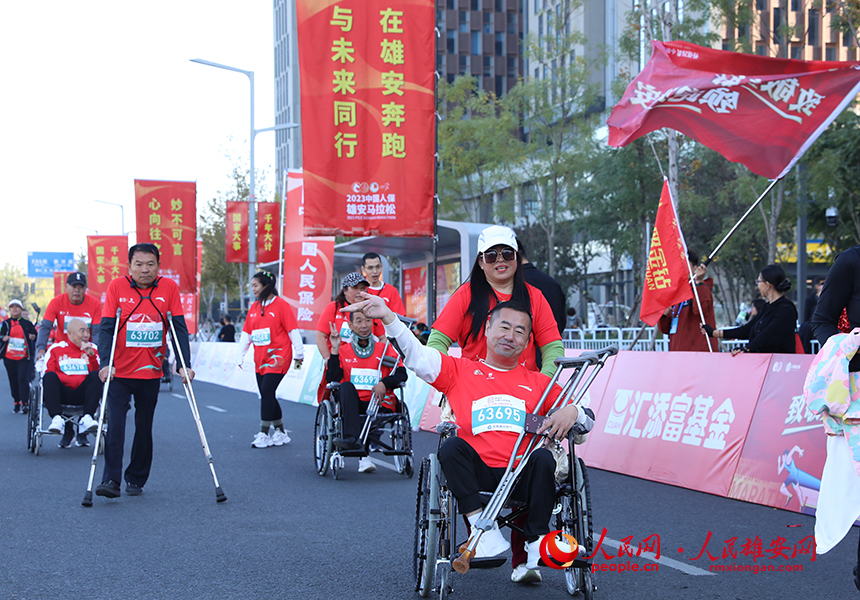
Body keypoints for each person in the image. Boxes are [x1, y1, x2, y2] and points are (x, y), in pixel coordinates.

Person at [344, 293, 593, 585]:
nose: (510, 336)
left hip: (523, 474)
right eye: (504, 326)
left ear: (528, 343)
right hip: (477, 474)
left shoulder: (539, 382)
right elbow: (416, 355)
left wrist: (573, 411)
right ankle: (482, 532)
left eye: (520, 331)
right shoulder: (458, 370)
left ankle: (537, 541)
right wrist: (388, 317)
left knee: (543, 456)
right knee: (450, 446)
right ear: (487, 328)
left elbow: (586, 419)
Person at [95, 243, 194, 499]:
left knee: (144, 425)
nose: (144, 269)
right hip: (119, 372)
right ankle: (111, 480)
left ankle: (136, 478)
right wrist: (105, 363)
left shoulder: (169, 288)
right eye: (138, 264)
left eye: (150, 264)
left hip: (150, 371)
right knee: (115, 424)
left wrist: (184, 365)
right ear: (129, 266)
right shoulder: (116, 287)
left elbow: (178, 329)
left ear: (158, 266)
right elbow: (106, 328)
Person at [427, 225, 564, 377]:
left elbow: (552, 347)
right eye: (491, 255)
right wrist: (451, 379)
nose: (500, 260)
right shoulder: (464, 295)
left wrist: (543, 383)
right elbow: (437, 342)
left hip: (524, 394)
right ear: (480, 262)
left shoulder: (535, 297)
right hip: (474, 392)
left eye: (507, 253)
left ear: (516, 257)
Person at [326, 311, 407, 473]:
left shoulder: (384, 349)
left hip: (379, 402)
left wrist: (384, 383)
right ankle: (354, 443)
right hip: (352, 405)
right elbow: (332, 378)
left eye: (368, 321)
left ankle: (357, 448)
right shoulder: (343, 350)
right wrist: (334, 350)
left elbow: (402, 374)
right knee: (345, 386)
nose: (364, 325)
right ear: (350, 326)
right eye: (359, 321)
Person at [236, 271, 304, 449]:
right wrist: (240, 354)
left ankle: (264, 433)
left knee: (266, 391)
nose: (253, 289)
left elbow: (292, 330)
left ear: (266, 286)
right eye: (252, 286)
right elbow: (246, 334)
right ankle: (281, 432)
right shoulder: (254, 308)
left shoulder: (282, 306)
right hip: (260, 359)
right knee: (268, 394)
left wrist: (299, 354)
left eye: (255, 286)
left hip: (279, 357)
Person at [702, 264, 797, 355]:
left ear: (767, 285)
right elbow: (746, 330)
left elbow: (767, 335)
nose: (758, 286)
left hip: (779, 366)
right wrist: (715, 333)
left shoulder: (786, 309)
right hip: (763, 362)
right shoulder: (766, 307)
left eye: (758, 282)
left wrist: (747, 349)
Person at [42, 318, 102, 448]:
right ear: (70, 334)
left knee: (96, 374)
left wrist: (91, 355)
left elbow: (99, 378)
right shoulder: (56, 349)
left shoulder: (94, 349)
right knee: (49, 376)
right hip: (62, 394)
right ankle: (57, 419)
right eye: (82, 331)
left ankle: (87, 417)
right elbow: (47, 373)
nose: (86, 335)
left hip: (84, 394)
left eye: (87, 331)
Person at [657, 251, 718, 352]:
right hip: (678, 355)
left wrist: (698, 282)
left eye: (684, 264)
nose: (680, 269)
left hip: (698, 355)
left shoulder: (702, 288)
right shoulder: (676, 293)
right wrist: (663, 315)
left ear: (695, 268)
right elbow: (665, 329)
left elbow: (700, 310)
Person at [35, 272, 103, 360]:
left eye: (80, 287)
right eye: (74, 287)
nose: (77, 290)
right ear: (66, 287)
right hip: (62, 350)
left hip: (85, 351)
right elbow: (45, 327)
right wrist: (41, 350)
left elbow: (97, 332)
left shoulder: (95, 304)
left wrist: (94, 351)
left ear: (85, 289)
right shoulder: (56, 302)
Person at [517, 241, 566, 336]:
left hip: (524, 348)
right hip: (552, 346)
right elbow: (562, 321)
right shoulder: (552, 283)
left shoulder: (513, 285)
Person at [2, 299, 37, 413]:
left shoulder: (27, 323)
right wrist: (3, 338)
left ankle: (25, 403)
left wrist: (33, 337)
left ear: (21, 309)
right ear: (10, 309)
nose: (15, 309)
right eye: (12, 307)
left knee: (22, 379)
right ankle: (16, 402)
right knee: (13, 380)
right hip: (9, 358)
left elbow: (34, 335)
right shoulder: (6, 323)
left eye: (17, 307)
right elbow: (1, 335)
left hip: (23, 357)